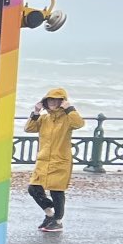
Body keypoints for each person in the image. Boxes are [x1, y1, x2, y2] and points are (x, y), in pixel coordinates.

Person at [25, 87, 84, 233]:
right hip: (43, 160)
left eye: (56, 99)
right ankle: (50, 214)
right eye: (50, 99)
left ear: (62, 101)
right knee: (33, 188)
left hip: (60, 160)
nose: (52, 102)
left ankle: (57, 221)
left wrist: (69, 108)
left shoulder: (67, 118)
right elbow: (29, 128)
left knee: (57, 191)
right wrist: (36, 112)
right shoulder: (45, 118)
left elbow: (79, 123)